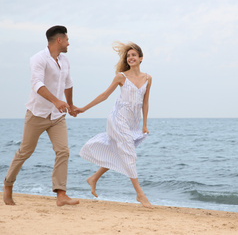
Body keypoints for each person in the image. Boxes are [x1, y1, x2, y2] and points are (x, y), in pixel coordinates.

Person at [3, 25, 80, 206]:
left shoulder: (65, 60)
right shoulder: (38, 59)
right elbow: (36, 84)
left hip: (56, 116)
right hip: (37, 113)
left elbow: (68, 84)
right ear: (59, 40)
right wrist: (56, 101)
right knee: (25, 151)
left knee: (63, 151)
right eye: (67, 39)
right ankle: (7, 185)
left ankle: (61, 194)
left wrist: (69, 105)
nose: (69, 42)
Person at [76, 41, 153, 208]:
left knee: (120, 152)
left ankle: (94, 178)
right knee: (129, 154)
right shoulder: (121, 77)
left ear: (140, 58)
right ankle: (140, 194)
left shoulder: (148, 78)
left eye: (134, 55)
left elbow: (145, 103)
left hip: (133, 122)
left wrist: (144, 124)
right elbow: (104, 95)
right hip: (118, 119)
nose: (130, 57)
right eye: (128, 56)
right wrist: (83, 109)